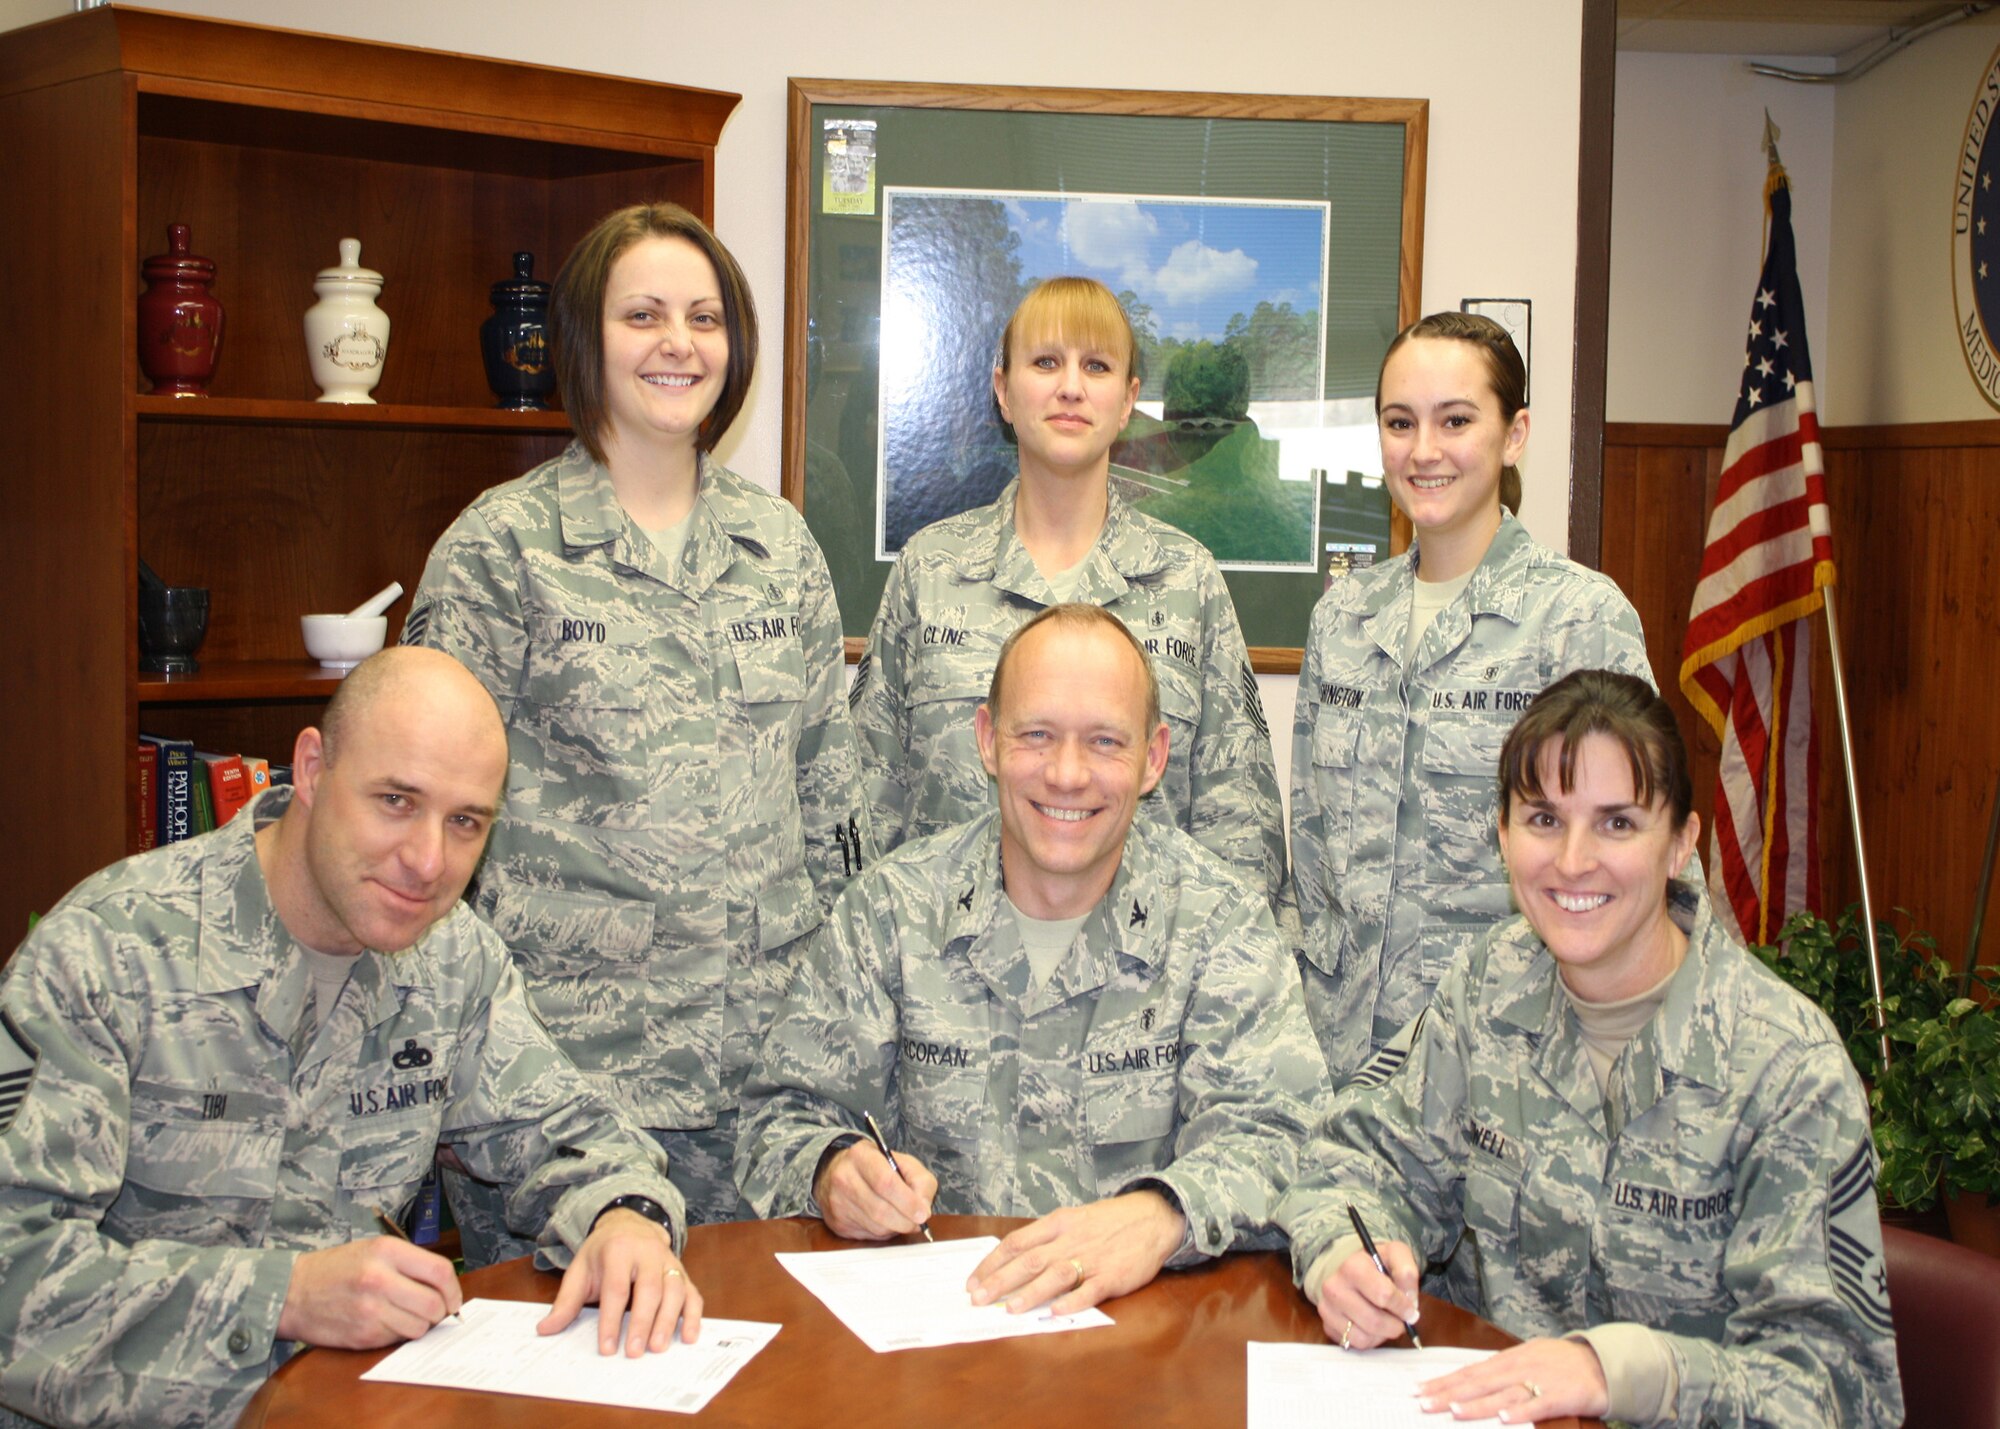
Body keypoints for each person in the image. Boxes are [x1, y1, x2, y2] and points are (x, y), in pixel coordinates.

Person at [0, 648, 700, 1429]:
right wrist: (284, 1298)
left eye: (465, 822)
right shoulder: (108, 954)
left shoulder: (451, 959)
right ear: (310, 769)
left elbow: (575, 1138)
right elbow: (11, 1274)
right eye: (396, 800)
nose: (428, 862)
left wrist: (625, 1217)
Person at [403, 202, 869, 1236]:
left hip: (766, 1099)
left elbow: (830, 810)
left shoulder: (780, 549)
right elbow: (424, 837)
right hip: (561, 1101)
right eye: (643, 315)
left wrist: (839, 1052)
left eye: (704, 318)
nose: (678, 344)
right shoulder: (501, 551)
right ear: (585, 336)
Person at [1278, 670, 1901, 1429]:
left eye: (1617, 824)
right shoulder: (1486, 988)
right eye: (1544, 818)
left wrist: (1618, 1372)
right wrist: (1343, 1254)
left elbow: (1838, 1395)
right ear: (1502, 834)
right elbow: (1354, 1162)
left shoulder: (1788, 1070)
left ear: (1681, 845)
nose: (1573, 861)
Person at [737, 604, 1325, 1314]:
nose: (1066, 774)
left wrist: (1163, 1214)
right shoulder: (891, 911)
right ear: (987, 740)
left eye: (1105, 741)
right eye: (1036, 735)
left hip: (1148, 1344)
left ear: (1153, 758)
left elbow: (1286, 1134)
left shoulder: (1219, 925)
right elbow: (780, 1119)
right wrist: (831, 1171)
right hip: (941, 1338)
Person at [1289, 310, 1655, 1080]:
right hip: (1339, 1061)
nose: (1424, 450)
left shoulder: (1578, 620)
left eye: (1455, 420)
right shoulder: (1343, 619)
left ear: (1514, 434)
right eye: (1400, 422)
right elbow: (1313, 855)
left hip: (1505, 1064)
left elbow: (1640, 860)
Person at [850, 276, 1284, 911]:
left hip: (1147, 965)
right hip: (946, 961)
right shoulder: (930, 571)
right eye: (1046, 362)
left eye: (1097, 366)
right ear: (1004, 390)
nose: (1071, 387)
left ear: (1128, 399)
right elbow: (867, 808)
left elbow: (1240, 835)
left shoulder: (1188, 581)